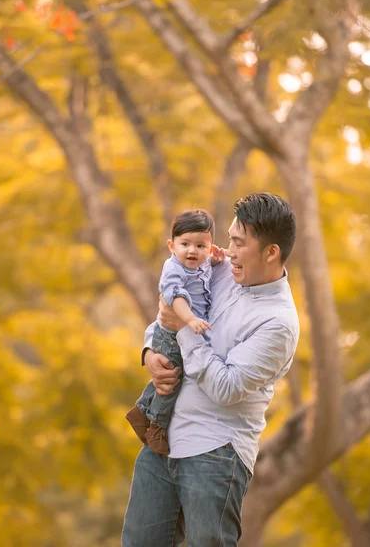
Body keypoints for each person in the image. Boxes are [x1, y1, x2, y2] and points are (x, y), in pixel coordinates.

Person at [122, 193, 299, 547]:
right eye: (230, 238)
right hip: (164, 440)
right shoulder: (220, 271)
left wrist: (184, 330)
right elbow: (168, 312)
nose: (228, 250)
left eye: (238, 242)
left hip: (216, 453)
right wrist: (149, 353)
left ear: (271, 252)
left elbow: (226, 387)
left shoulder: (278, 323)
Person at [125, 208, 222, 455]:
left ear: (210, 248)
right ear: (172, 245)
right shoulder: (174, 269)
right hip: (171, 332)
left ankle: (140, 411)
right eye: (185, 244)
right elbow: (174, 298)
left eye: (201, 246)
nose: (192, 251)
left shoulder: (204, 264)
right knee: (173, 378)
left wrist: (217, 259)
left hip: (184, 331)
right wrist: (190, 320)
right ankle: (156, 424)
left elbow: (209, 263)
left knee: (170, 374)